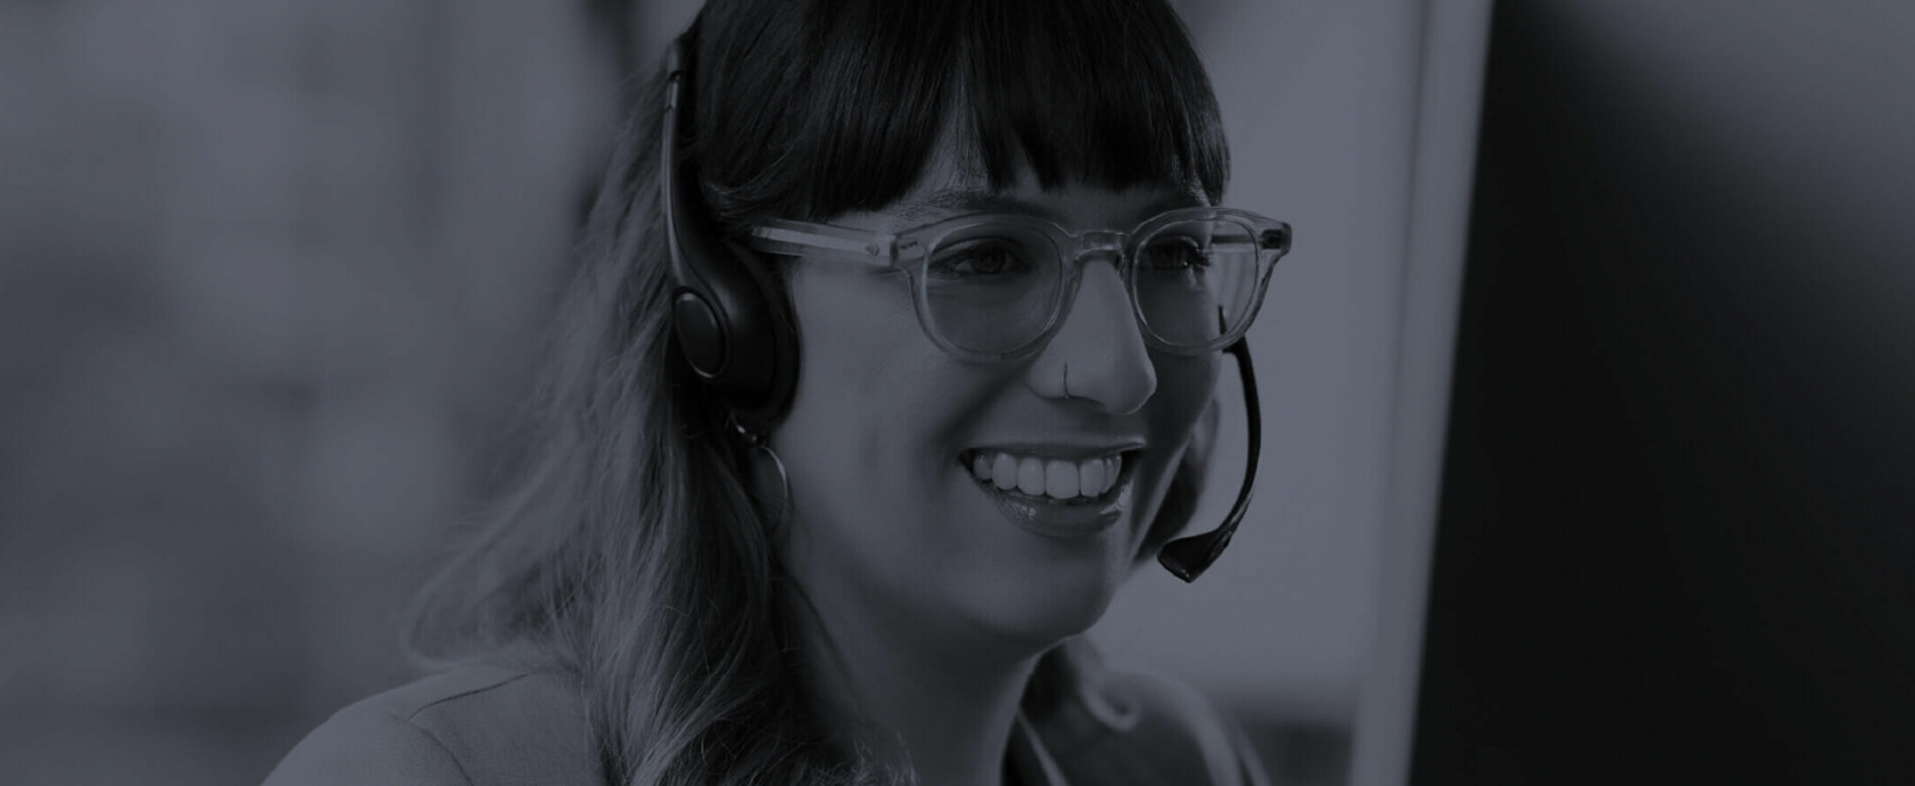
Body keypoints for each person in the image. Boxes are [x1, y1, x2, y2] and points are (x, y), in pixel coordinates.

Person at [265, 0, 1294, 783]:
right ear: (731, 315)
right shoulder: (434, 777)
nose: (1123, 367)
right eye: (983, 258)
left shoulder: (1176, 763)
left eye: (1174, 251)